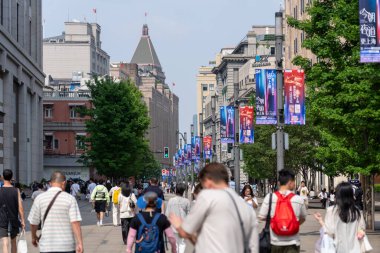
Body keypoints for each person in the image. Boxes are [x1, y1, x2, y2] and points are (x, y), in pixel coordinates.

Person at [169, 163, 259, 253]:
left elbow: (185, 232)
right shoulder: (246, 207)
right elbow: (253, 246)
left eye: (202, 183)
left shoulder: (208, 197)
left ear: (208, 180)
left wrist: (178, 225)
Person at [28, 171, 83, 253]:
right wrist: (80, 243)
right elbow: (75, 222)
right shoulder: (70, 199)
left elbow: (33, 222)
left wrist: (33, 237)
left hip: (46, 246)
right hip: (66, 246)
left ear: (50, 183)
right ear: (64, 183)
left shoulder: (40, 198)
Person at [258, 169, 307, 253]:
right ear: (290, 182)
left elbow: (261, 217)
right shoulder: (298, 199)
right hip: (293, 242)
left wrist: (275, 221)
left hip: (275, 242)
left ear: (279, 183)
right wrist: (291, 224)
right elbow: (303, 218)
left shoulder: (270, 197)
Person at [314, 182, 367, 253]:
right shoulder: (357, 212)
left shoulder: (332, 211)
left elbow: (329, 231)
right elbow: (362, 229)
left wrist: (320, 221)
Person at [0, 169, 25, 253]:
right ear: (11, 178)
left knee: (4, 243)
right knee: (13, 242)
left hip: (2, 219)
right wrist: (23, 220)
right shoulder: (16, 190)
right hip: (13, 219)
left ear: (3, 177)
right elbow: (20, 207)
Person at [165, 183, 190, 253]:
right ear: (184, 191)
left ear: (176, 190)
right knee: (182, 243)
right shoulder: (187, 201)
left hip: (173, 225)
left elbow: (167, 214)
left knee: (175, 243)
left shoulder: (171, 200)